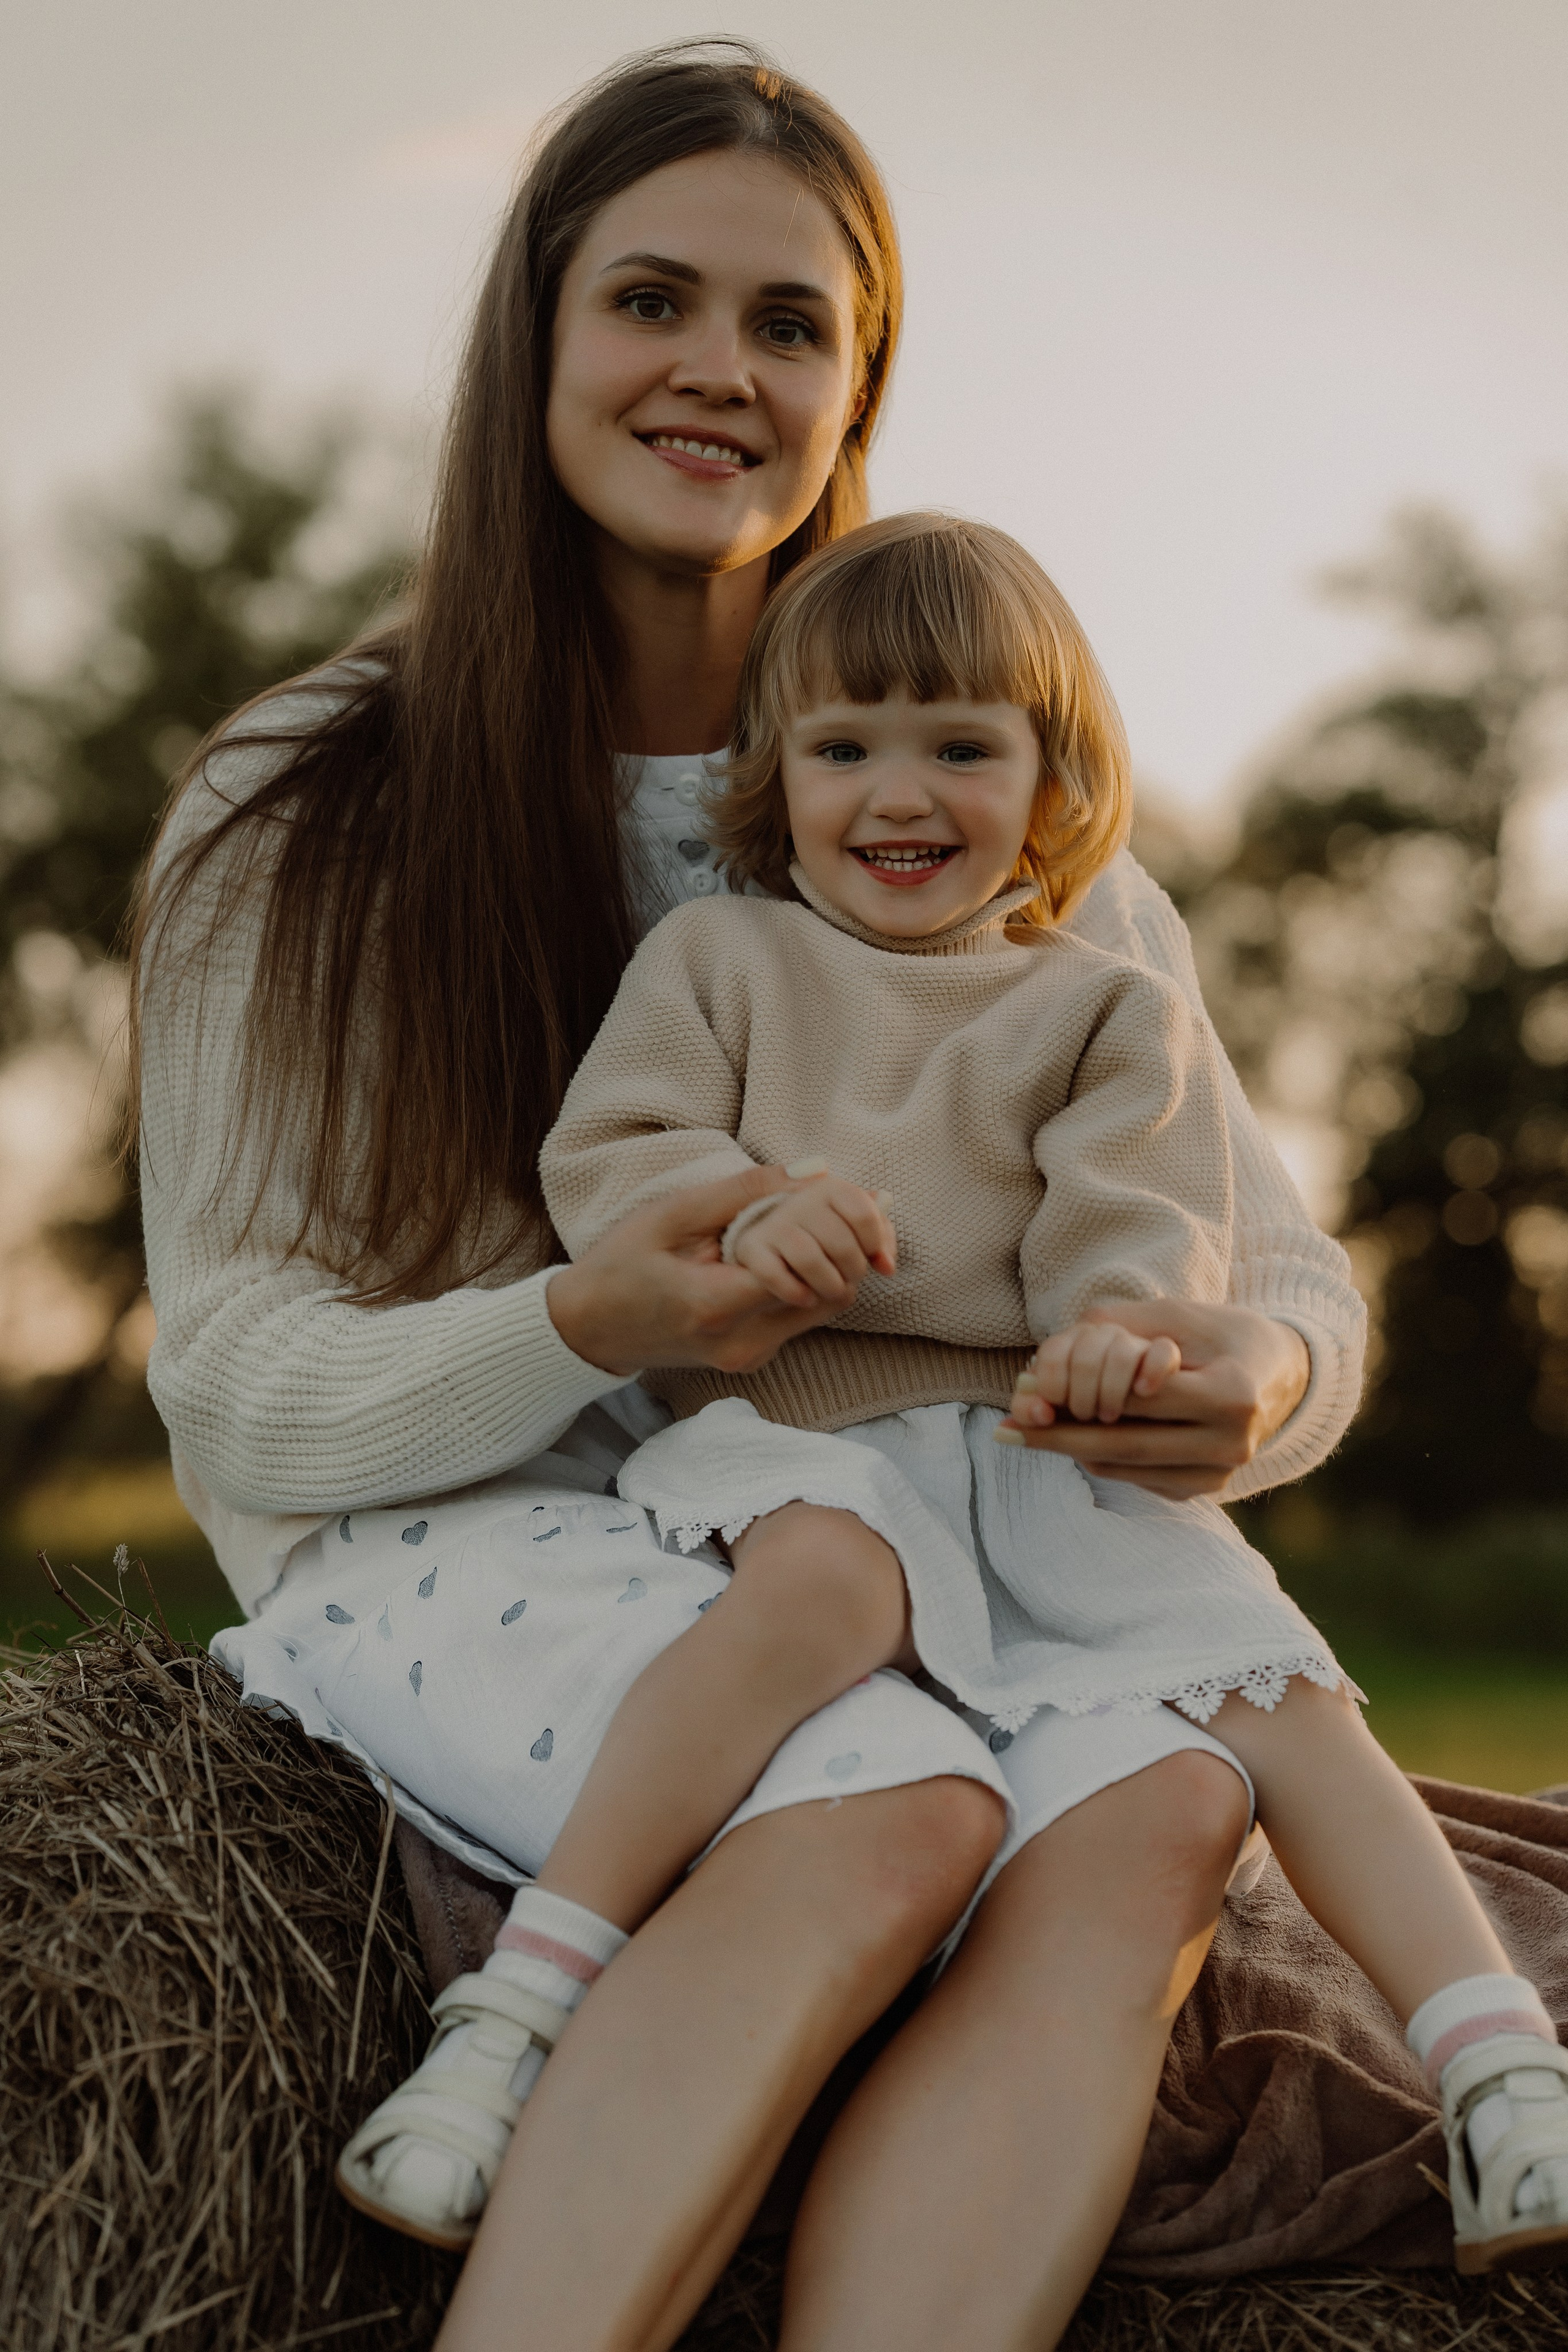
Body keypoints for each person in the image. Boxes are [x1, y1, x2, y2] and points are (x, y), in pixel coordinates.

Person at [132, 42, 1372, 2352]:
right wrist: (587, 1325)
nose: (718, 368)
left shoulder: (966, 772)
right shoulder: (303, 799)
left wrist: (1256, 1379)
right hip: (474, 1530)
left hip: (895, 1516)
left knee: (1164, 1819)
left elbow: (1271, 1256)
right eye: (653, 301)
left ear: (857, 385)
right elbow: (237, 1388)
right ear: (538, 339)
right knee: (901, 1811)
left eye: (792, 325)